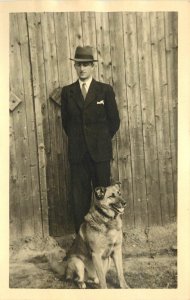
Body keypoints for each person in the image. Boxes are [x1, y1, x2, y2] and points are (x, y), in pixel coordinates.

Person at [61, 46, 120, 233]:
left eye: (86, 65)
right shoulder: (68, 92)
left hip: (100, 154)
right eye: (79, 65)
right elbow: (66, 123)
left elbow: (114, 121)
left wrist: (100, 140)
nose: (82, 69)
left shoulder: (104, 90)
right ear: (75, 67)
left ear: (93, 67)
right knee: (79, 200)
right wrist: (81, 141)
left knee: (104, 199)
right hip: (78, 155)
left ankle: (105, 238)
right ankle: (82, 243)